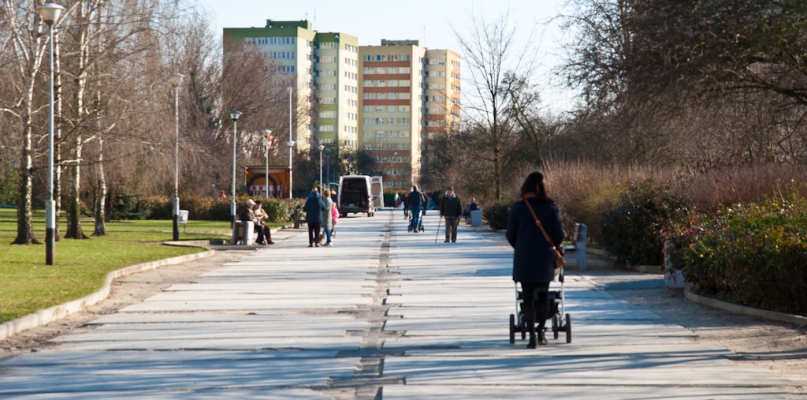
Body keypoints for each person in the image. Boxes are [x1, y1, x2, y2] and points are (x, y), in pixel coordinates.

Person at [506, 172, 565, 349]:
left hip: (524, 257)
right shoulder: (550, 207)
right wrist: (552, 246)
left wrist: (521, 247)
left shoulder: (518, 207)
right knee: (544, 295)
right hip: (544, 257)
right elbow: (559, 234)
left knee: (528, 296)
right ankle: (541, 332)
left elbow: (510, 234)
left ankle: (531, 335)